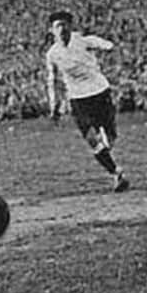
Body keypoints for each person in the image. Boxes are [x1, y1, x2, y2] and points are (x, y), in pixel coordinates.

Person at [45, 10, 129, 193]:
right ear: (52, 30)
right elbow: (53, 81)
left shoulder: (83, 41)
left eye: (65, 25)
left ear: (70, 27)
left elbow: (108, 46)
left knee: (110, 137)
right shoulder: (52, 54)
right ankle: (116, 173)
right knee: (92, 140)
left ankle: (108, 143)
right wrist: (54, 106)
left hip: (99, 92)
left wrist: (111, 52)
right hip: (78, 99)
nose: (62, 29)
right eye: (58, 26)